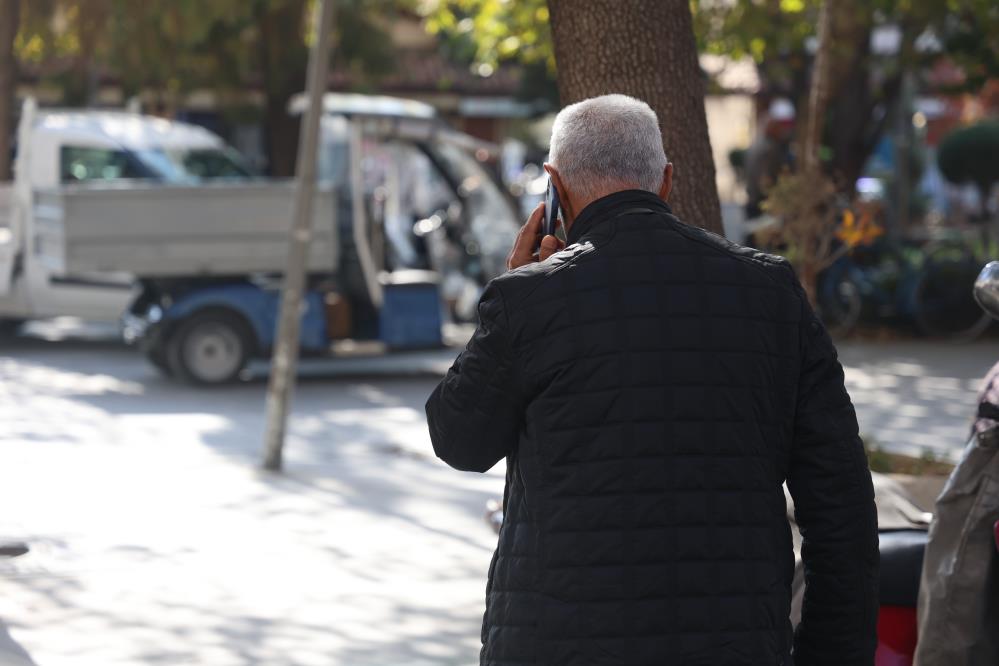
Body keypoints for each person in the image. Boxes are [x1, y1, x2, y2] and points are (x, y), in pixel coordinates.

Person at [425, 94, 879, 666]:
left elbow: (458, 440)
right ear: (665, 181)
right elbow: (840, 505)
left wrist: (516, 287)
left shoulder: (530, 299)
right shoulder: (771, 293)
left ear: (553, 188)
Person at [744, 98, 796, 220]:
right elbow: (764, 183)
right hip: (761, 208)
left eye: (788, 125)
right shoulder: (768, 148)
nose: (786, 130)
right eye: (783, 125)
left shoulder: (770, 144)